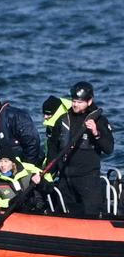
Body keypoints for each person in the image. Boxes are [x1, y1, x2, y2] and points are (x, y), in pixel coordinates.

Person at [50, 81, 114, 216]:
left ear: (89, 101)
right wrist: (49, 172)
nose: (75, 104)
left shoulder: (99, 120)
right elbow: (53, 148)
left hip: (87, 178)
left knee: (92, 213)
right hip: (65, 178)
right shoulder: (63, 120)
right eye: (73, 101)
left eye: (79, 102)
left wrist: (96, 133)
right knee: (64, 213)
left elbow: (108, 148)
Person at [0, 85, 41, 174]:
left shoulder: (16, 116)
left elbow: (32, 142)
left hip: (27, 170)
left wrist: (25, 170)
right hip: (2, 174)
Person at [0, 145, 45, 212]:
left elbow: (47, 177)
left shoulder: (28, 169)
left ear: (12, 162)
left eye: (6, 161)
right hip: (11, 211)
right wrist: (10, 202)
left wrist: (41, 179)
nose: (2, 165)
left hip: (34, 208)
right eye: (0, 161)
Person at [41, 95, 72, 170]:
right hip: (57, 159)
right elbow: (51, 148)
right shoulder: (51, 123)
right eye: (44, 114)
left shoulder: (66, 121)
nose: (45, 117)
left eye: (48, 114)